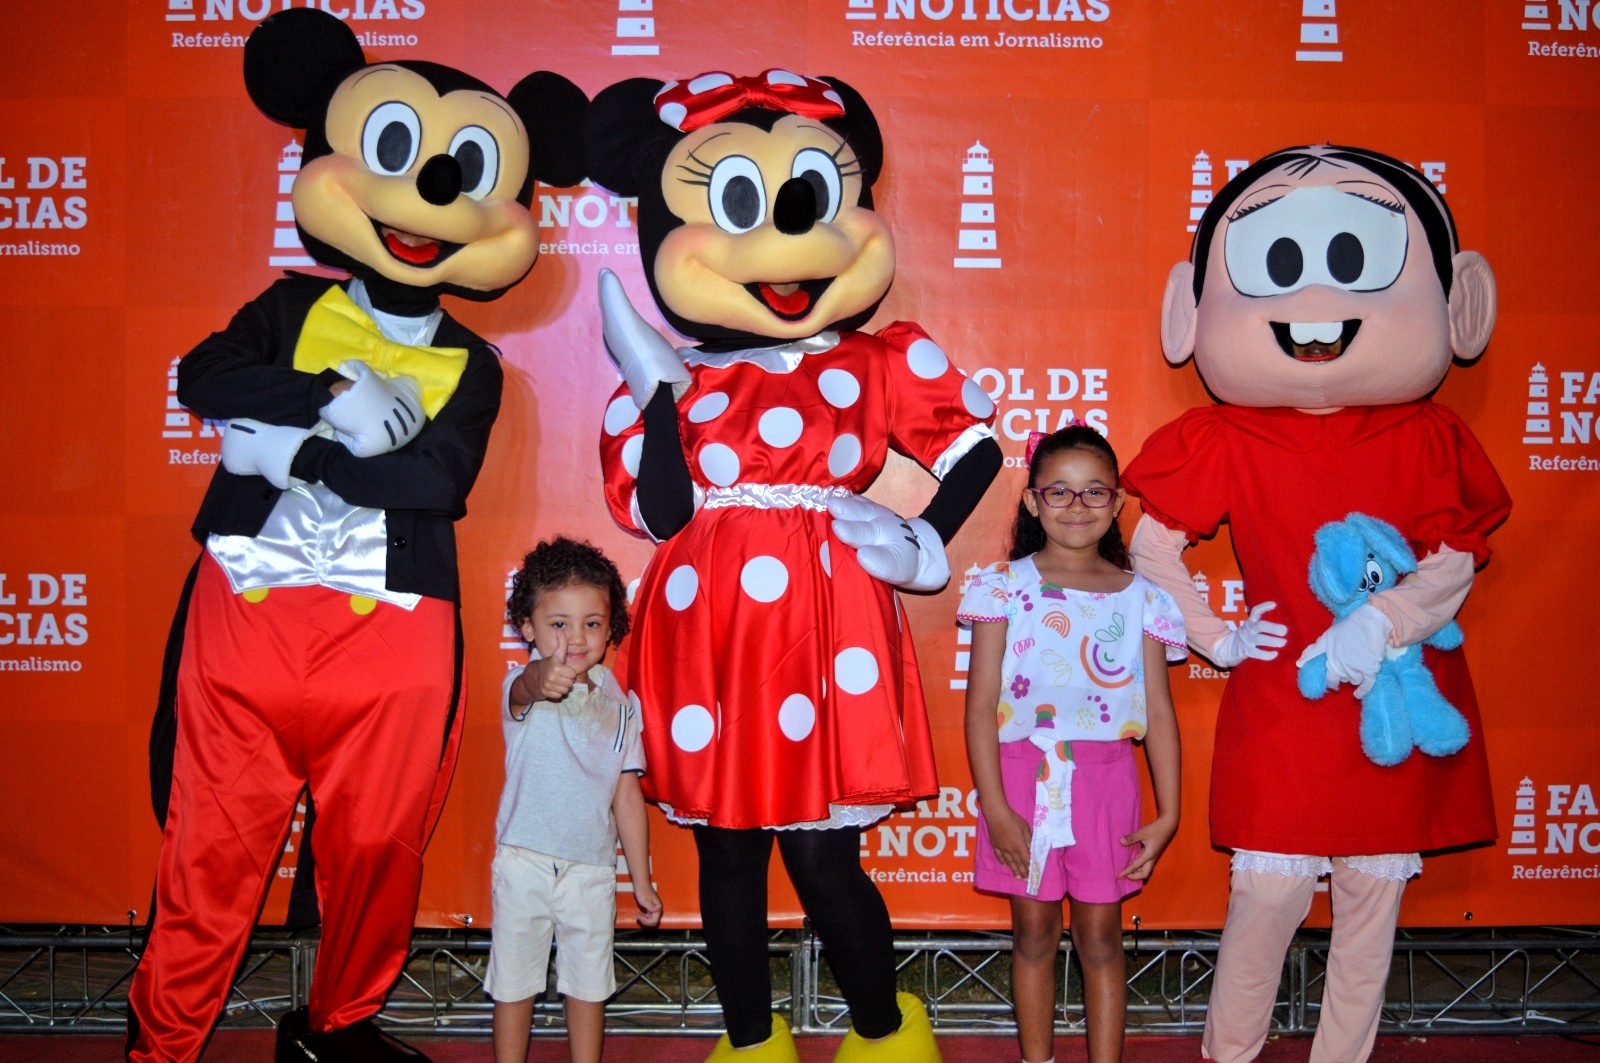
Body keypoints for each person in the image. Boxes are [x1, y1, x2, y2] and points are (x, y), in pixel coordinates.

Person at [1122, 145, 1510, 1063]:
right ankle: (1231, 1054)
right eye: (1277, 268)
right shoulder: (1223, 437)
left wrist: (1385, 620)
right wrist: (1215, 635)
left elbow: (1457, 554)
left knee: (1372, 908)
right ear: (1193, 314)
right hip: (1282, 706)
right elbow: (1151, 545)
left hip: (1395, 703)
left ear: (1459, 305)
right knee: (1265, 901)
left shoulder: (1427, 434)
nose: (1311, 306)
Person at [959, 425, 1183, 1063]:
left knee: (1102, 936)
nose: (1077, 505)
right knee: (1032, 933)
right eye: (1058, 491)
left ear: (1116, 504)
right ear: (1032, 501)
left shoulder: (1145, 599)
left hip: (1107, 779)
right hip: (1020, 776)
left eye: (1094, 492)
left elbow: (1160, 714)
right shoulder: (1001, 587)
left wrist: (1169, 814)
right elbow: (979, 707)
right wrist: (997, 807)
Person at [487, 537, 663, 1063]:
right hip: (524, 861)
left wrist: (643, 881)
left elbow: (626, 795)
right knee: (514, 983)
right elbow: (530, 686)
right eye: (558, 623)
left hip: (591, 869)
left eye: (592, 622)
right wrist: (545, 675)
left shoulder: (621, 703)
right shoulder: (522, 683)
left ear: (612, 627)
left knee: (589, 986)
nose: (577, 637)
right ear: (528, 629)